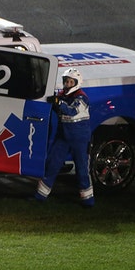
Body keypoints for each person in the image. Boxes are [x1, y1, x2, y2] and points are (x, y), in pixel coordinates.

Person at [34, 67, 95, 208]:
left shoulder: (82, 97)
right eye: (66, 81)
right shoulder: (63, 95)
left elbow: (72, 110)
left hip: (79, 139)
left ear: (76, 83)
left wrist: (58, 103)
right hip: (63, 137)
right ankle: (40, 196)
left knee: (82, 169)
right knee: (52, 165)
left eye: (70, 82)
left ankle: (88, 201)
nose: (67, 84)